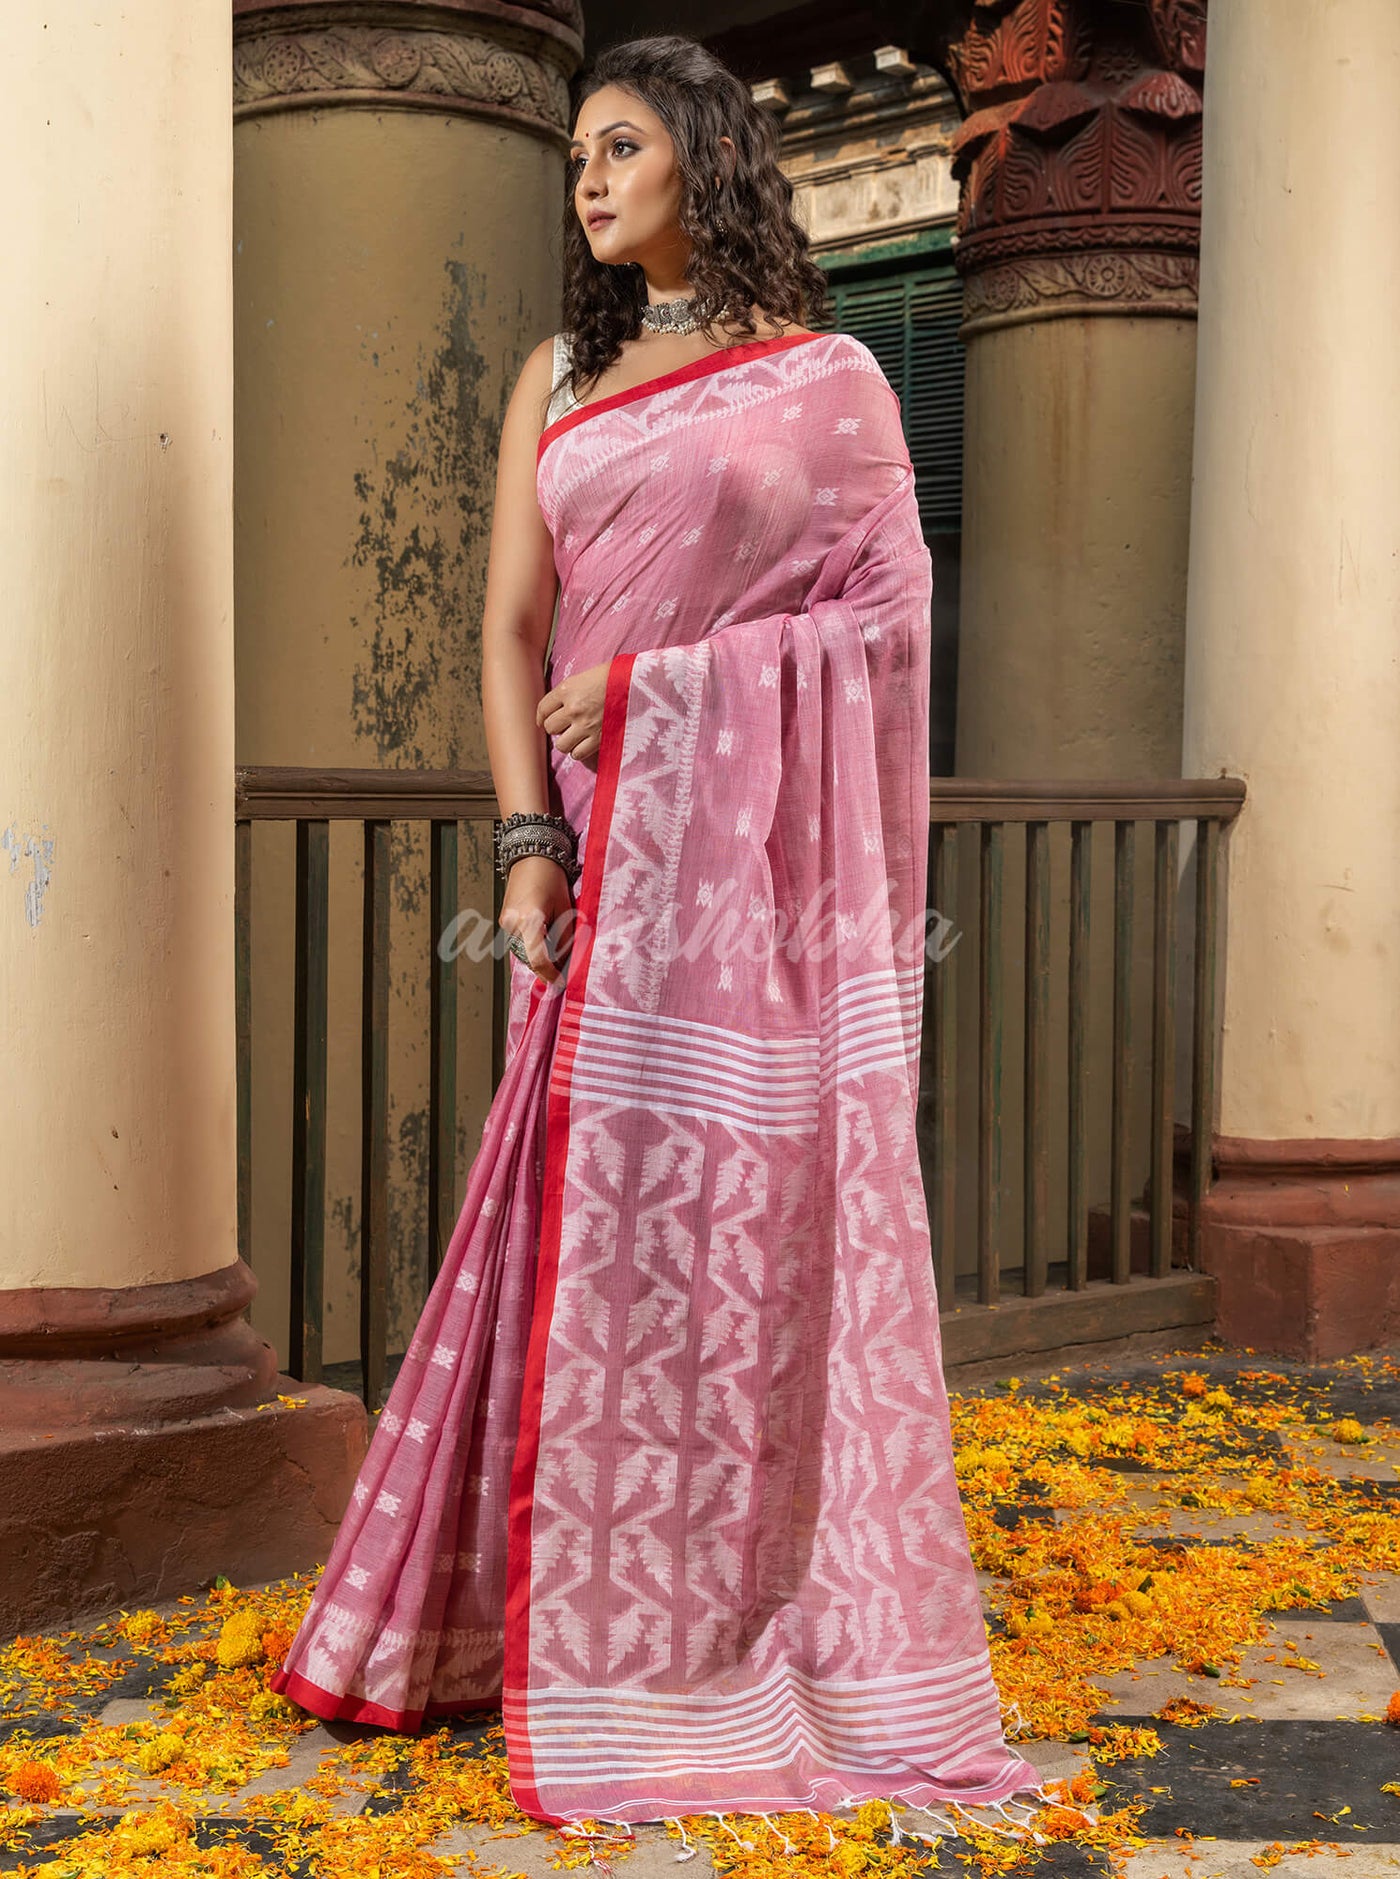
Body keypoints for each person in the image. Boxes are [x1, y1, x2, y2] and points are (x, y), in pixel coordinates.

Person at [270, 30, 1039, 1836]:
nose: (590, 181)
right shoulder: (561, 374)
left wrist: (666, 691)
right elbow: (507, 630)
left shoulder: (831, 381)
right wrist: (527, 840)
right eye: (575, 158)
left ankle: (709, 1626)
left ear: (706, 149)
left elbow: (887, 632)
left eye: (619, 146)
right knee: (566, 1228)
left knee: (730, 1243)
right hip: (597, 859)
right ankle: (510, 1619)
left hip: (742, 881)